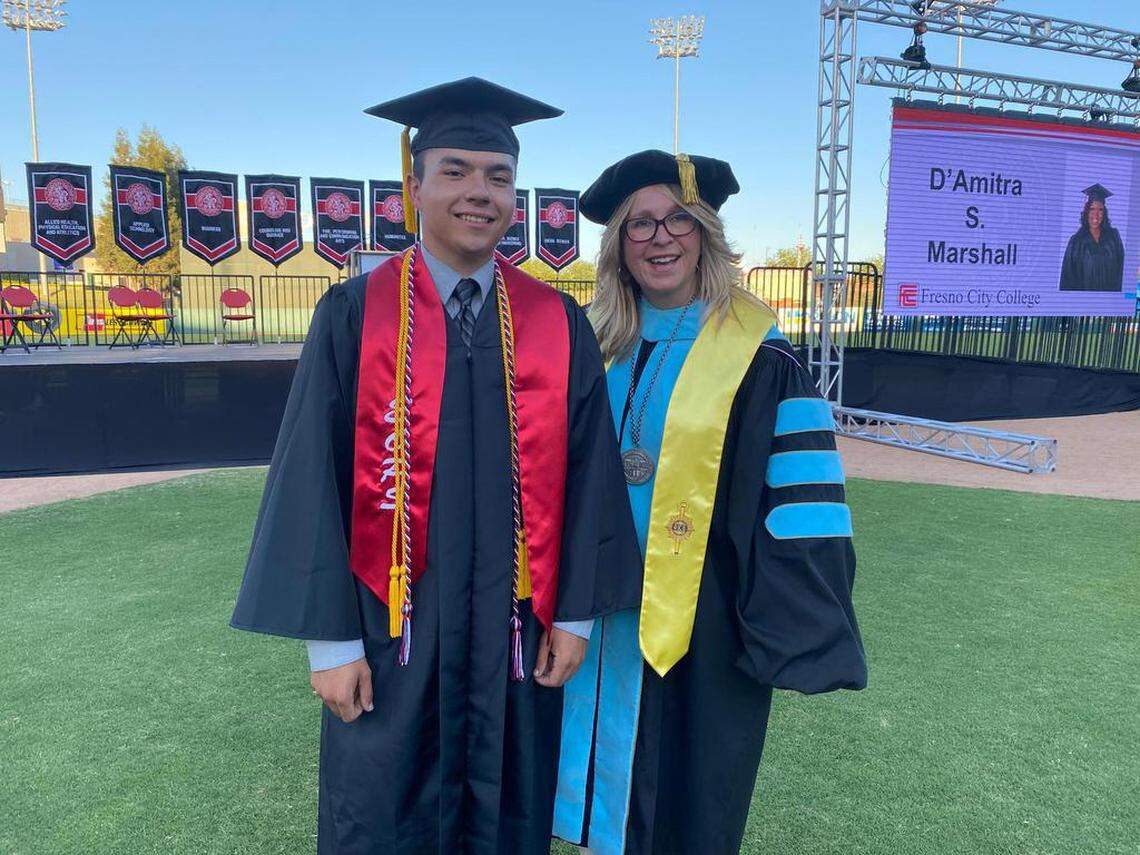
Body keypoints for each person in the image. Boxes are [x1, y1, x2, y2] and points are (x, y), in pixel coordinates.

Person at [230, 77, 641, 855]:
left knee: (507, 818)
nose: (478, 191)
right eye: (455, 170)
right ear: (413, 188)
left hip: (516, 636)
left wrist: (575, 615)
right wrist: (332, 645)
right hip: (392, 635)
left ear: (514, 196)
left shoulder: (557, 323)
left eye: (498, 176)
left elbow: (590, 473)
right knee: (384, 819)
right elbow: (310, 477)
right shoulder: (355, 315)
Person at [552, 150, 868, 855]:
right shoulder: (592, 344)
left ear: (706, 234)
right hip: (592, 608)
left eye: (679, 220)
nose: (660, 238)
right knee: (591, 796)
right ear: (619, 245)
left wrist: (776, 624)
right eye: (639, 224)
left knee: (685, 806)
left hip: (704, 619)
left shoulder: (759, 355)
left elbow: (801, 499)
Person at [1059, 183, 1125, 292]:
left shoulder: (1114, 237)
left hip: (1110, 300)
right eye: (1092, 209)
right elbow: (1068, 277)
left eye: (1100, 210)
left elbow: (1122, 270)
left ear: (1104, 213)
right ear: (1086, 212)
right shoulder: (1076, 241)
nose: (1096, 215)